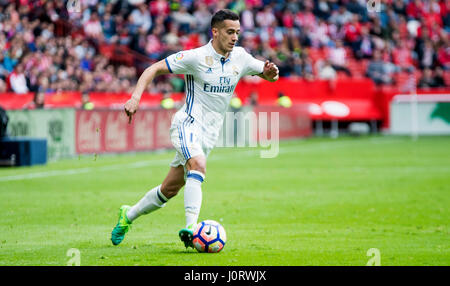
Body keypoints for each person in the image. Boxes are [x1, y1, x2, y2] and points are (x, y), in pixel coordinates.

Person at [111, 9, 279, 248]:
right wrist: (135, 98)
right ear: (215, 32)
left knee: (169, 189)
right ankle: (191, 229)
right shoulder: (196, 57)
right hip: (187, 122)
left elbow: (268, 73)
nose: (235, 37)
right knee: (198, 165)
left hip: (209, 134)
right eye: (230, 32)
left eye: (238, 33)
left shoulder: (240, 57)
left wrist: (272, 74)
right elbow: (153, 69)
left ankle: (127, 215)